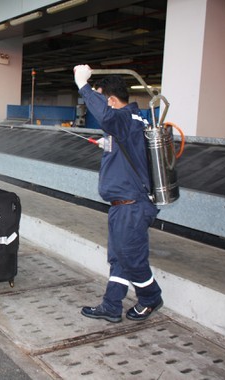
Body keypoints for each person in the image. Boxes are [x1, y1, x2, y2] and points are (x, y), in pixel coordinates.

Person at [73, 64, 163, 323]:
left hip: (131, 206)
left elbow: (108, 117)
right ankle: (112, 306)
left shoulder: (123, 118)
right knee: (119, 258)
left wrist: (83, 85)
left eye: (102, 100)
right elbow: (131, 151)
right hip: (123, 205)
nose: (102, 106)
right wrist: (108, 143)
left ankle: (150, 297)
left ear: (111, 100)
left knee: (131, 258)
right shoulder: (132, 123)